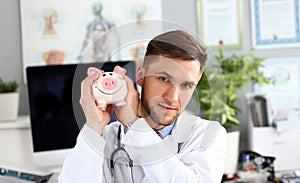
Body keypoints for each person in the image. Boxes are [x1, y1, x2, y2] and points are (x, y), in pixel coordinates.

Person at [59, 30, 227, 182]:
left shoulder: (207, 135)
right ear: (140, 75)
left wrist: (134, 126)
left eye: (186, 85)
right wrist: (93, 126)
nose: (173, 98)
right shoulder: (106, 138)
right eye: (164, 79)